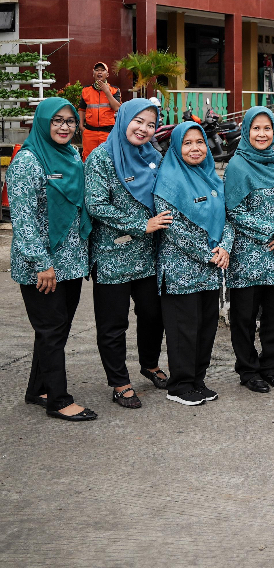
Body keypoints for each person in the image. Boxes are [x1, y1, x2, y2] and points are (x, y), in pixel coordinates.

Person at [84, 97, 172, 409]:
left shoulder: (153, 155)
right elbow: (95, 204)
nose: (144, 129)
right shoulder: (101, 157)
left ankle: (149, 363)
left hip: (148, 256)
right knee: (113, 323)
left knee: (153, 314)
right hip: (112, 255)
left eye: (151, 124)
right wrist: (140, 224)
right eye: (138, 121)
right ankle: (119, 382)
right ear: (123, 119)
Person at [10, 99, 95, 421]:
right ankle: (58, 400)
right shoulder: (27, 162)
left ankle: (38, 388)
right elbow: (23, 220)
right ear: (43, 122)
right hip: (42, 266)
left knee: (55, 330)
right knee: (51, 331)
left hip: (70, 261)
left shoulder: (71, 155)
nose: (64, 126)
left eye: (70, 121)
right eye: (56, 120)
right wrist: (41, 263)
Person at [154, 122, 234, 407]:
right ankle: (179, 385)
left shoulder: (212, 178)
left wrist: (225, 247)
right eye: (187, 143)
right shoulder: (167, 182)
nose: (195, 148)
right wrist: (209, 253)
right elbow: (172, 229)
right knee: (183, 331)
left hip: (210, 271)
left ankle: (197, 380)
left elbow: (227, 219)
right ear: (176, 147)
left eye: (199, 142)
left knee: (205, 329)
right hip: (180, 273)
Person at [224, 107, 274, 394]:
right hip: (247, 259)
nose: (262, 134)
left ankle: (270, 367)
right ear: (247, 131)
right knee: (244, 318)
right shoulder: (237, 166)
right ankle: (247, 370)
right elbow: (234, 212)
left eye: (267, 128)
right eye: (256, 128)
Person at [79, 61, 123, 160]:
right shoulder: (86, 90)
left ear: (107, 74)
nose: (99, 72)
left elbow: (117, 108)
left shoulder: (114, 90)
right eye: (97, 70)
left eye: (102, 70)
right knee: (88, 158)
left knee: (107, 158)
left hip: (107, 133)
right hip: (90, 132)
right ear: (93, 73)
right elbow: (81, 109)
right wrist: (81, 126)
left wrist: (107, 91)